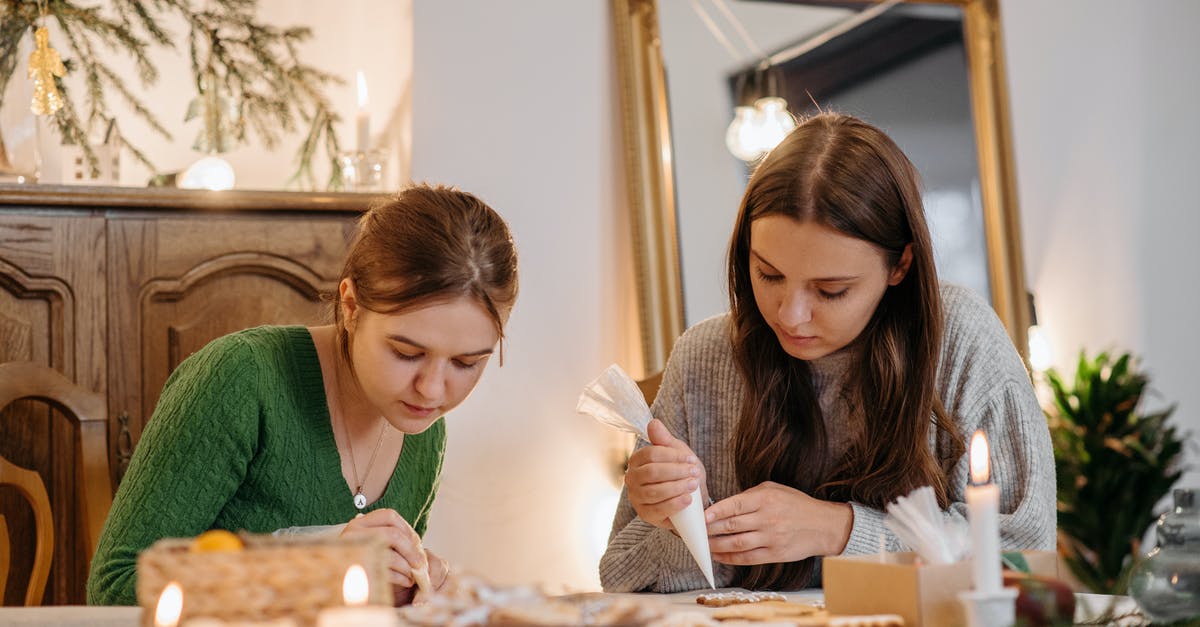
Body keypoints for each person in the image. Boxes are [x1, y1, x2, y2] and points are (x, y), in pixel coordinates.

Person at [600, 113, 1055, 592]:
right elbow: (621, 575)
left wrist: (837, 530)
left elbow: (1025, 564)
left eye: (830, 290)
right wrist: (681, 525)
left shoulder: (960, 339)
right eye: (768, 275)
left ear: (900, 265)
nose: (790, 315)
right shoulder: (704, 357)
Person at [87, 184, 519, 605]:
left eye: (466, 363)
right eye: (406, 353)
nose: (432, 389)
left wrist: (412, 588)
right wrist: (312, 567)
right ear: (350, 307)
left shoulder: (424, 428)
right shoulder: (242, 378)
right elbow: (114, 589)